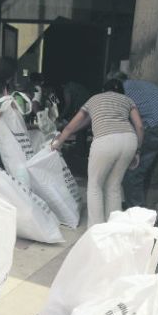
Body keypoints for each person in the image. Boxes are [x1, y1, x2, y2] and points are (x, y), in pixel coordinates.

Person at [50, 78, 144, 227]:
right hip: (129, 139)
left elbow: (70, 127)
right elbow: (139, 126)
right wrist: (137, 150)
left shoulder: (94, 99)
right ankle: (114, 227)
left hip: (105, 140)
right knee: (114, 186)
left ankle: (96, 229)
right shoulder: (127, 100)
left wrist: (57, 143)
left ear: (103, 90)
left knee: (95, 185)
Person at [109, 71, 158, 208]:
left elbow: (135, 126)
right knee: (146, 169)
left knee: (132, 171)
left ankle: (135, 211)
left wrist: (136, 149)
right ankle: (138, 205)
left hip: (156, 125)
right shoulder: (139, 85)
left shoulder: (122, 92)